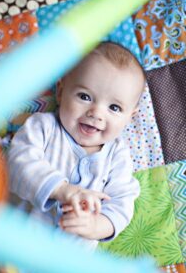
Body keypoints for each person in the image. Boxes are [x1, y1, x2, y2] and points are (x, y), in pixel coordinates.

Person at [8, 42, 145, 250]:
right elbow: (19, 164)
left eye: (114, 107)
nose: (96, 113)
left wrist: (96, 226)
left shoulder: (117, 156)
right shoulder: (43, 127)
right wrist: (62, 190)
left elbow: (122, 203)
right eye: (84, 97)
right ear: (61, 92)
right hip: (14, 243)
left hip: (66, 260)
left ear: (129, 117)